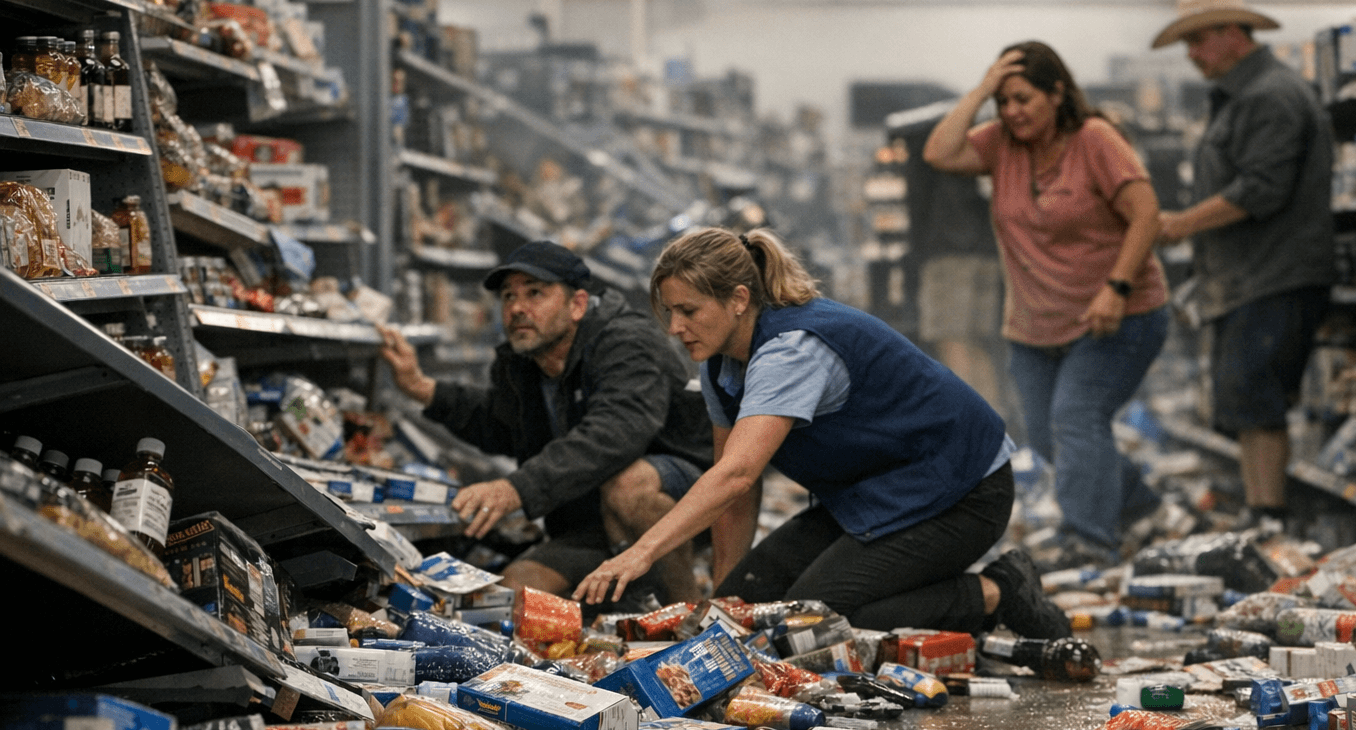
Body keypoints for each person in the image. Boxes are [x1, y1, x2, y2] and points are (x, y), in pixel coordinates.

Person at [572, 227, 1069, 641]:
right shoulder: (720, 365)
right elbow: (733, 495)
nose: (675, 328)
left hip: (960, 489)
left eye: (689, 311)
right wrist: (725, 605)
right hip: (872, 494)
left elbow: (737, 475)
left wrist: (642, 551)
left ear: (739, 299)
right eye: (670, 312)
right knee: (753, 612)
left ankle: (997, 591)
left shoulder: (793, 350)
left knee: (811, 627)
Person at [923, 41, 1169, 568]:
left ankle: (1089, 542)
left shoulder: (1095, 139)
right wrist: (982, 89)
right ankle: (1141, 505)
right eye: (1004, 102)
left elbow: (1147, 214)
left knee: (1076, 418)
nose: (1012, 112)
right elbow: (939, 152)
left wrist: (1117, 288)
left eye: (1023, 99)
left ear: (1058, 93)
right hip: (1035, 326)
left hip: (1117, 315)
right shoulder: (1001, 145)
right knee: (1047, 434)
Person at [378, 241, 713, 605]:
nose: (517, 308)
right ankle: (626, 600)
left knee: (629, 483)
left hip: (681, 501)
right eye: (508, 297)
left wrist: (515, 489)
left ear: (577, 305)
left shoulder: (626, 342)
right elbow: (499, 424)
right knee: (508, 601)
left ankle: (689, 614)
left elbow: (616, 431)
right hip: (588, 527)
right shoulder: (523, 364)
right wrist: (421, 387)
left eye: (534, 293)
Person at [1152, 0, 1335, 528]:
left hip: (1272, 273)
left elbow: (1261, 188)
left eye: (1195, 40)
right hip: (1250, 274)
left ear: (1233, 34)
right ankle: (1262, 514)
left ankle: (1269, 517)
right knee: (1247, 398)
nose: (1190, 53)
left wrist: (1180, 224)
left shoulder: (1268, 96)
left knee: (1257, 397)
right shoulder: (1246, 94)